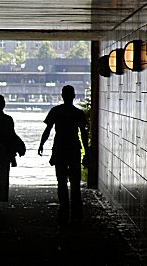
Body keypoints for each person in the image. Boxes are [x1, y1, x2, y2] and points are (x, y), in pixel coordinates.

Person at [38, 85, 89, 227]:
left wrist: (41, 144)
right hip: (73, 148)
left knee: (61, 181)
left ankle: (64, 209)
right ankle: (77, 213)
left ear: (62, 95)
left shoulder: (56, 111)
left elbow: (48, 130)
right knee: (75, 182)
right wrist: (87, 152)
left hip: (59, 148)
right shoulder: (78, 113)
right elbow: (83, 134)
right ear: (73, 96)